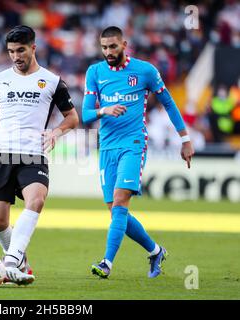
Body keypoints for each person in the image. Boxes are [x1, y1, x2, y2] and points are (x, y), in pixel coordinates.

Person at [0, 25, 79, 285]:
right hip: (1, 152)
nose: (16, 56)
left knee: (36, 200)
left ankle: (11, 261)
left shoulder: (53, 81)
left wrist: (56, 132)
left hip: (33, 153)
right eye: (11, 51)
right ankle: (21, 262)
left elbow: (73, 118)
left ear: (33, 48)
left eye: (21, 50)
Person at [82, 26, 194, 279]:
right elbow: (86, 114)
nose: (108, 52)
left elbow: (168, 102)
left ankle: (106, 263)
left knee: (120, 203)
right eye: (104, 47)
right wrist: (104, 110)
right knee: (115, 211)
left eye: (113, 46)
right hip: (107, 147)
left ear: (124, 44)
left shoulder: (145, 70)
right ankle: (155, 251)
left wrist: (185, 139)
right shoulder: (95, 72)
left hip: (133, 143)